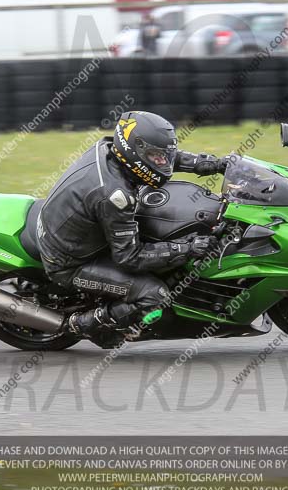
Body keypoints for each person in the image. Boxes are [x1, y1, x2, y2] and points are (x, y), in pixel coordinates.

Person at [37, 111, 229, 347]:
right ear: (134, 151)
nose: (163, 162)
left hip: (72, 230)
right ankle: (83, 324)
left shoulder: (110, 148)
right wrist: (187, 247)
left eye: (163, 155)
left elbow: (163, 158)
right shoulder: (115, 195)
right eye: (156, 156)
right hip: (70, 263)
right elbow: (129, 257)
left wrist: (212, 164)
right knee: (155, 297)